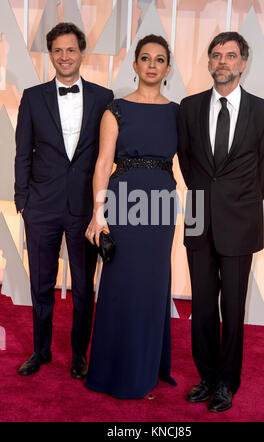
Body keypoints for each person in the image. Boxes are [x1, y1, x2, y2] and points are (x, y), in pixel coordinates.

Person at [178, 32, 264, 412]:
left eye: (231, 55)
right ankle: (206, 376)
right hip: (198, 216)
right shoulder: (188, 108)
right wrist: (207, 194)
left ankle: (227, 381)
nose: (222, 61)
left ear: (243, 63)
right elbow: (187, 163)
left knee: (233, 309)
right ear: (209, 62)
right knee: (202, 305)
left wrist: (238, 200)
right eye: (216, 55)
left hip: (240, 220)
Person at [14, 22, 113, 379]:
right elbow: (22, 152)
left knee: (84, 288)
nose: (65, 56)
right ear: (50, 54)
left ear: (82, 53)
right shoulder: (32, 96)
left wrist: (103, 205)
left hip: (84, 210)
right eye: (58, 50)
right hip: (40, 207)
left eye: (71, 49)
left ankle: (79, 355)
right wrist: (22, 200)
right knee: (41, 284)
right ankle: (40, 351)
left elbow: (108, 153)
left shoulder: (105, 97)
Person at [85, 34, 178, 399]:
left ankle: (146, 367)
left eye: (159, 59)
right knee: (120, 285)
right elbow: (104, 163)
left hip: (160, 208)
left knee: (152, 286)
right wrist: (98, 213)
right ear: (135, 65)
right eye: (145, 58)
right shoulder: (116, 109)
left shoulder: (177, 113)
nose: (152, 64)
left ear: (167, 68)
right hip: (124, 204)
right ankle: (113, 369)